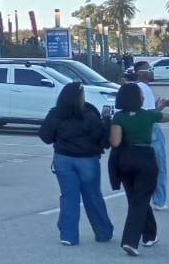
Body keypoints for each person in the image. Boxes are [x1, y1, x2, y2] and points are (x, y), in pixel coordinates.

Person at [109, 82, 169, 256]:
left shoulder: (119, 117)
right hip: (145, 158)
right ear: (137, 98)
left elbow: (115, 142)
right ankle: (130, 241)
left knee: (135, 199)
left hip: (125, 159)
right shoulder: (148, 116)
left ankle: (150, 235)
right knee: (140, 200)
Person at [39, 82, 114, 246]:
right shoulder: (89, 114)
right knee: (93, 196)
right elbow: (102, 139)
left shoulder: (56, 114)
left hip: (63, 159)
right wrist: (106, 121)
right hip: (87, 160)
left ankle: (68, 235)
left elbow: (45, 136)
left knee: (68, 197)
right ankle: (103, 232)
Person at [133, 63, 169, 210]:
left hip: (138, 130)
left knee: (141, 166)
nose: (152, 72)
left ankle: (140, 197)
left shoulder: (135, 88)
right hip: (152, 128)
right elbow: (149, 114)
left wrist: (158, 106)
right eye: (149, 70)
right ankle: (159, 200)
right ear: (140, 73)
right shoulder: (144, 88)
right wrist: (161, 108)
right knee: (160, 166)